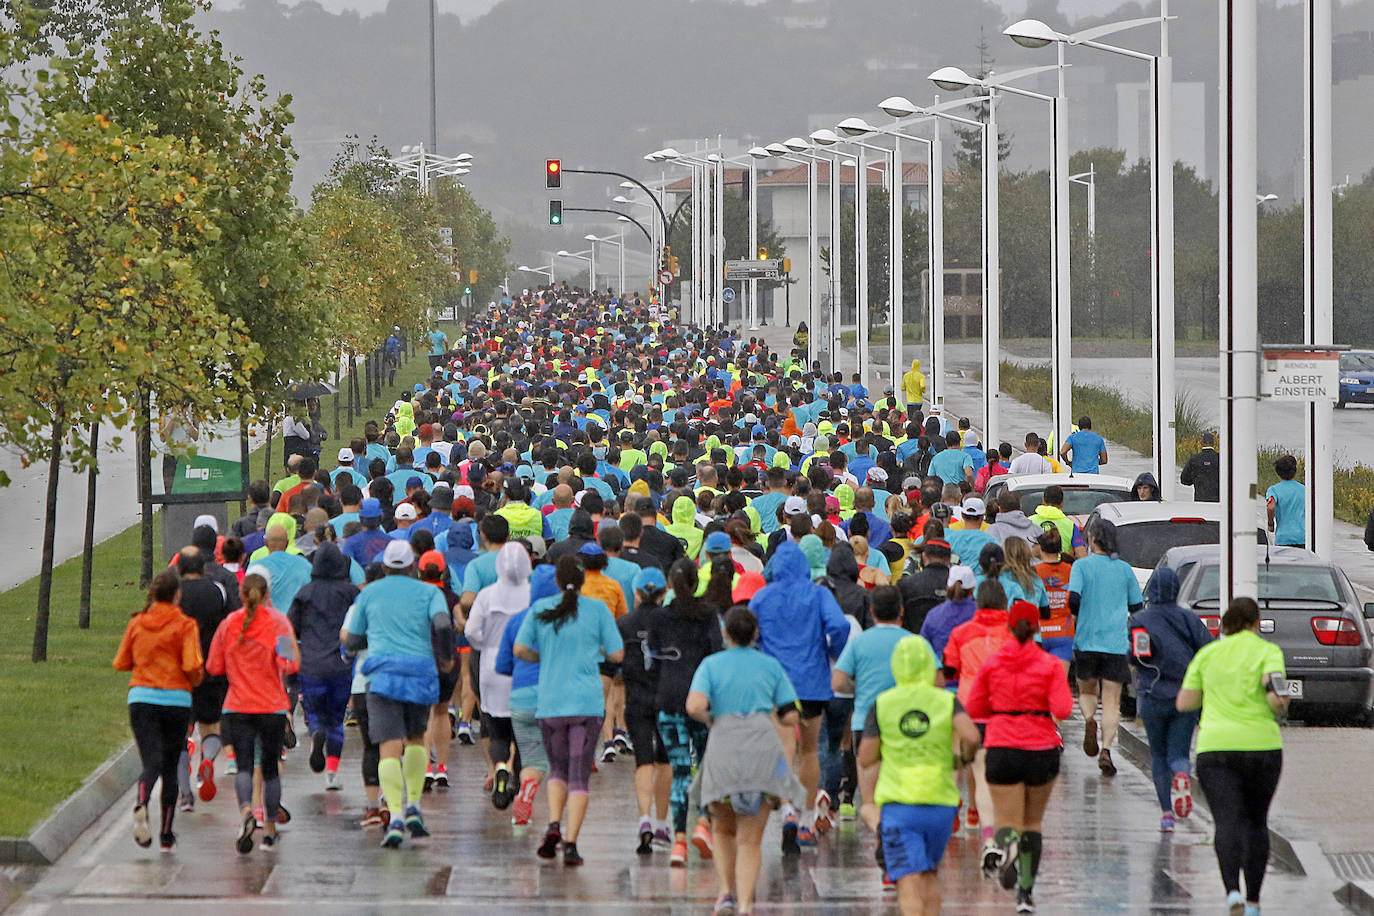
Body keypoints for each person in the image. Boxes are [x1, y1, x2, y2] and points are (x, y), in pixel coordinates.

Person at [686, 607, 805, 916]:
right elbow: (791, 712)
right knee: (750, 840)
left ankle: (725, 892)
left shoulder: (711, 665)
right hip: (762, 751)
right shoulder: (771, 666)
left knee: (722, 829)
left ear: (725, 633)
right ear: (755, 634)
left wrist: (712, 719)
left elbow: (695, 704)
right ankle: (745, 905)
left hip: (723, 749)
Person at [341, 540, 456, 849]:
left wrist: (351, 649)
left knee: (388, 748)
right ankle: (415, 805)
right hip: (420, 672)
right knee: (417, 738)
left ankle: (394, 816)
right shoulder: (430, 592)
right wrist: (446, 657)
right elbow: (443, 623)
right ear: (412, 566)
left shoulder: (369, 594)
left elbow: (353, 638)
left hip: (382, 677)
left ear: (385, 567)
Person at [1177, 597, 1289, 916]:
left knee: (1226, 822)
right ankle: (1254, 901)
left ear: (1225, 624)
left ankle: (1232, 893)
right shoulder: (1268, 652)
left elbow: (1184, 702)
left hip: (1215, 748)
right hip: (1262, 746)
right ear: (1256, 623)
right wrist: (1277, 701)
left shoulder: (1208, 654)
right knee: (1256, 822)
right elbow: (1276, 696)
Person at [513, 556, 625, 867]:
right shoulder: (598, 611)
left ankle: (552, 824)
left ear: (558, 582)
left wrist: (542, 657)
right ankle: (572, 842)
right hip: (587, 704)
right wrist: (597, 649)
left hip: (550, 701)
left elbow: (519, 650)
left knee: (557, 771)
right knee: (579, 777)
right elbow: (617, 652)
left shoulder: (541, 610)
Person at [964, 599, 1075, 913]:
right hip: (1041, 748)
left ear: (1009, 627)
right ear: (1037, 627)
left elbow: (974, 708)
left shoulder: (993, 663)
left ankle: (1008, 844)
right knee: (1033, 822)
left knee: (1007, 819)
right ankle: (1025, 894)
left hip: (1002, 746)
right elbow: (1064, 709)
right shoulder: (1050, 664)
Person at [859, 634, 982, 915]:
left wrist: (889, 749)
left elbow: (865, 758)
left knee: (908, 881)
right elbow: (972, 735)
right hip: (940, 803)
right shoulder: (945, 701)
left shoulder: (884, 703)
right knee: (928, 873)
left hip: (899, 805)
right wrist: (961, 758)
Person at [748, 540, 850, 854]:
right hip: (812, 683)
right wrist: (831, 652)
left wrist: (760, 654)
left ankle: (786, 810)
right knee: (809, 752)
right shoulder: (818, 594)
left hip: (776, 685)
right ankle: (806, 819)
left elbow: (748, 632)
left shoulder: (763, 596)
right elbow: (840, 624)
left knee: (782, 750)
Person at [205, 568, 300, 854]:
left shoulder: (228, 625)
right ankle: (269, 828)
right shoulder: (279, 624)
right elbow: (290, 664)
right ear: (267, 594)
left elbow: (213, 667)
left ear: (241, 595)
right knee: (270, 770)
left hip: (237, 706)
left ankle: (247, 812)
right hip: (271, 706)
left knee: (244, 766)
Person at [113, 570, 204, 852]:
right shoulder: (186, 625)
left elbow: (121, 662)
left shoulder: (138, 623)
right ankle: (166, 834)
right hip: (176, 700)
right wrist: (195, 679)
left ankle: (141, 802)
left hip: (141, 698)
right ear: (177, 595)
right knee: (170, 766)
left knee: (151, 761)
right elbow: (191, 665)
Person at [646, 559, 724, 866]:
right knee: (705, 764)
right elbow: (717, 656)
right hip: (701, 702)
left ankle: (679, 840)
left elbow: (651, 661)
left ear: (670, 584)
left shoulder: (660, 618)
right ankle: (703, 822)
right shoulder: (708, 616)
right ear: (696, 583)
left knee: (679, 770)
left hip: (668, 698)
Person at [1129, 568, 1214, 832]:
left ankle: (1167, 814)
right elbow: (1208, 649)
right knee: (1179, 751)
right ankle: (1181, 774)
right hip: (1186, 695)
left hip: (1153, 694)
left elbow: (1136, 657)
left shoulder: (1140, 620)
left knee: (1158, 754)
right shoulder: (1189, 619)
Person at [1068, 518, 1143, 777]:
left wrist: (1081, 616)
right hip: (1115, 642)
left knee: (1087, 691)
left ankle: (1089, 719)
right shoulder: (1124, 570)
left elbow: (1074, 599)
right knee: (1112, 702)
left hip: (1087, 639)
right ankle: (1107, 749)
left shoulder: (1081, 566)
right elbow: (1137, 607)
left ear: (1092, 539)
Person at [942, 579, 1010, 863]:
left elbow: (949, 668)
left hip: (969, 707)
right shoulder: (1013, 633)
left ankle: (944, 820)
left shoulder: (962, 632)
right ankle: (990, 838)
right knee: (989, 779)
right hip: (1003, 710)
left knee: (956, 768)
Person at [833, 586, 909, 829]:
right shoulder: (913, 642)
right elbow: (936, 679)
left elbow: (837, 681)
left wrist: (857, 690)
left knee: (870, 797)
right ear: (901, 611)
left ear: (872, 611)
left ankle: (880, 835)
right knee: (899, 789)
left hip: (864, 723)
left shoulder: (859, 643)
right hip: (904, 722)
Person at [464, 541, 532, 809]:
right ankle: (517, 777)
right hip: (524, 668)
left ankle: (500, 767)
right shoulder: (533, 594)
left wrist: (486, 646)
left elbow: (470, 631)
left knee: (497, 731)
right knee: (523, 732)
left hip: (492, 668)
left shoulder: (487, 595)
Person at [287, 542, 359, 790]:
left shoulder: (304, 593)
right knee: (337, 719)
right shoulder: (350, 593)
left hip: (311, 665)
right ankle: (331, 772)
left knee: (315, 712)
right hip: (341, 665)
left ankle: (316, 731)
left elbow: (290, 629)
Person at [617, 566, 673, 854]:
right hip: (666, 697)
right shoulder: (672, 622)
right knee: (664, 761)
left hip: (636, 697)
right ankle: (663, 824)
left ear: (637, 594)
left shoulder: (625, 623)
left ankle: (644, 819)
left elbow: (614, 662)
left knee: (643, 760)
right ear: (664, 593)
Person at [1266, 454, 1306, 547]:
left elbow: (1271, 507)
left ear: (1278, 472)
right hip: (1303, 537)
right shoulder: (1304, 489)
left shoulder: (1273, 490)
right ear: (1295, 471)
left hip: (1283, 538)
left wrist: (1270, 524)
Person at [1180, 432, 1220, 502]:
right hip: (1217, 502)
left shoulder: (1194, 459)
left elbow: (1184, 480)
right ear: (1213, 443)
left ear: (1201, 443)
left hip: (1200, 501)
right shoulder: (1220, 458)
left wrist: (1196, 479)